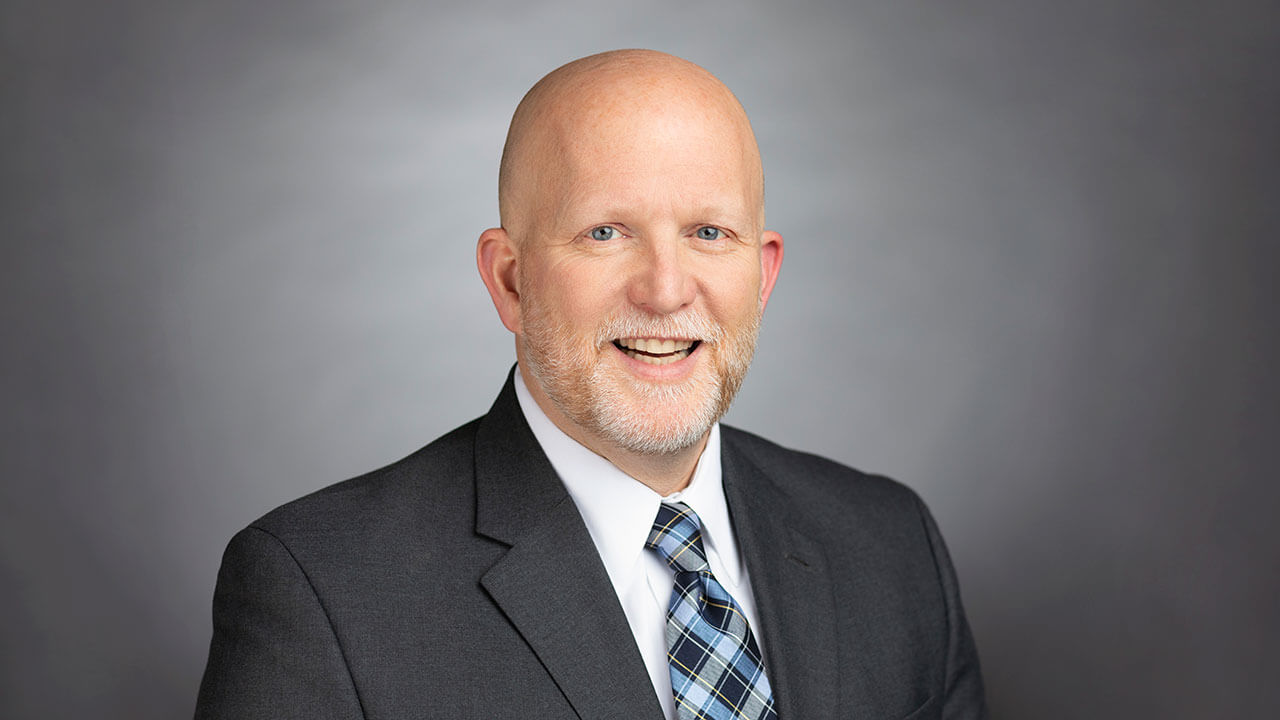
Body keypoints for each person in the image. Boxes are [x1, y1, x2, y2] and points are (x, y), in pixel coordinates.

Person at [194, 49, 987, 720]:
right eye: (606, 233)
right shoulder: (320, 591)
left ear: (764, 271)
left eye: (710, 233)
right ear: (509, 280)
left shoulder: (891, 544)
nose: (667, 289)